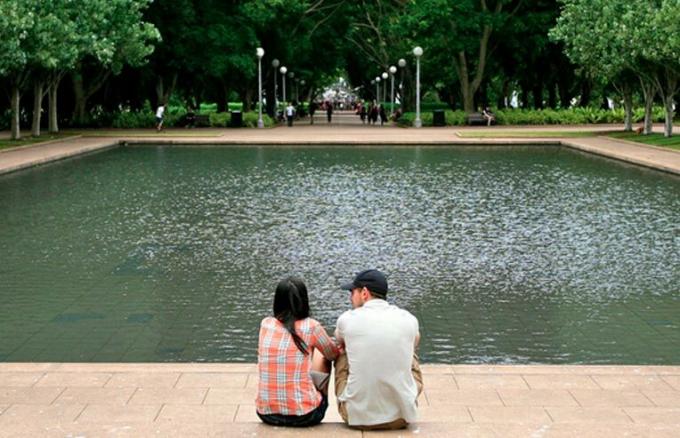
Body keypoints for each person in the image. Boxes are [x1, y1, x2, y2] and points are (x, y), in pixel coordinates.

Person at [334, 269, 423, 430]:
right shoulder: (408, 319)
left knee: (343, 349)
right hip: (401, 418)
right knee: (409, 346)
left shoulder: (347, 319)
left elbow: (338, 339)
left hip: (356, 417)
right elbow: (416, 341)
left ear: (364, 293)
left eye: (352, 292)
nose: (350, 297)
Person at [256, 277, 340, 427]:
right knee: (322, 355)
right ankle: (316, 396)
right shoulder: (311, 326)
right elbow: (333, 354)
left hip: (266, 414)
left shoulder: (266, 324)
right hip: (305, 415)